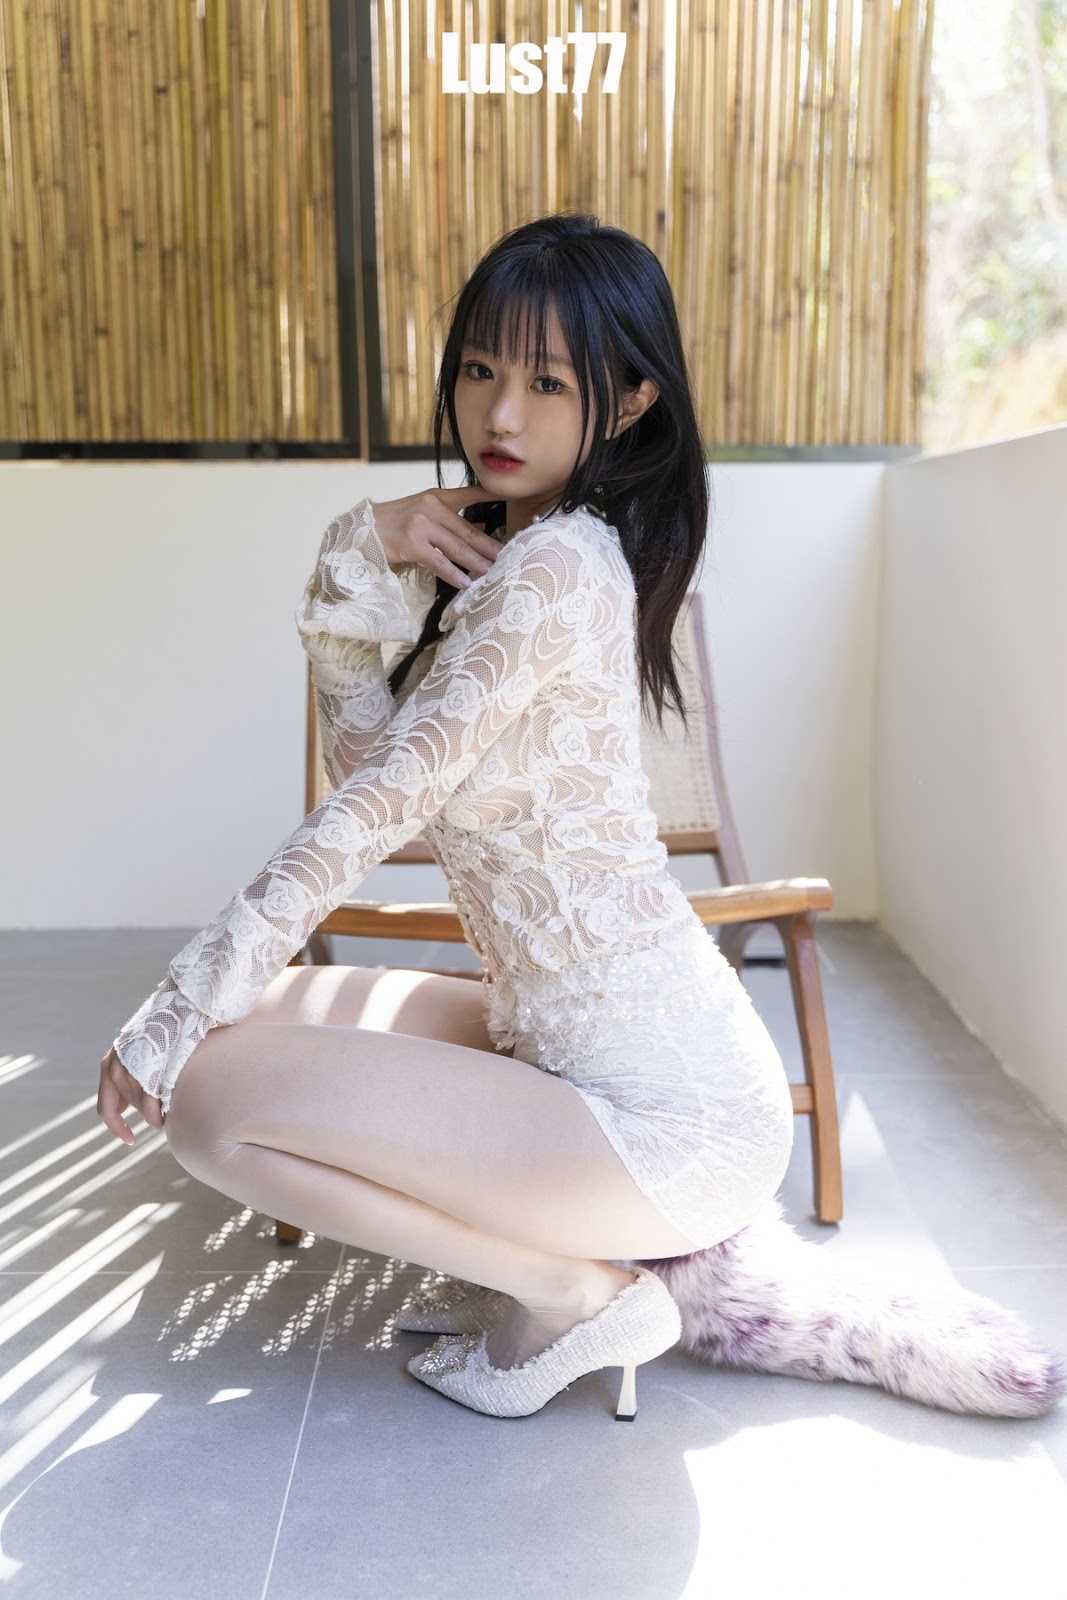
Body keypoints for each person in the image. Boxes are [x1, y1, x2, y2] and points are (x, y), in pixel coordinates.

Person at [96, 213, 1064, 1423]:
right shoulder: (510, 558)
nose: (499, 413)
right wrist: (363, 548)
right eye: (478, 369)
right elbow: (371, 763)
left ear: (629, 400)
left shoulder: (555, 571)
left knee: (205, 1096)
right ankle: (561, 1260)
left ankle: (567, 1289)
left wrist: (176, 1001)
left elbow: (369, 808)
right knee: (258, 1021)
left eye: (548, 382)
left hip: (659, 1113)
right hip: (558, 1042)